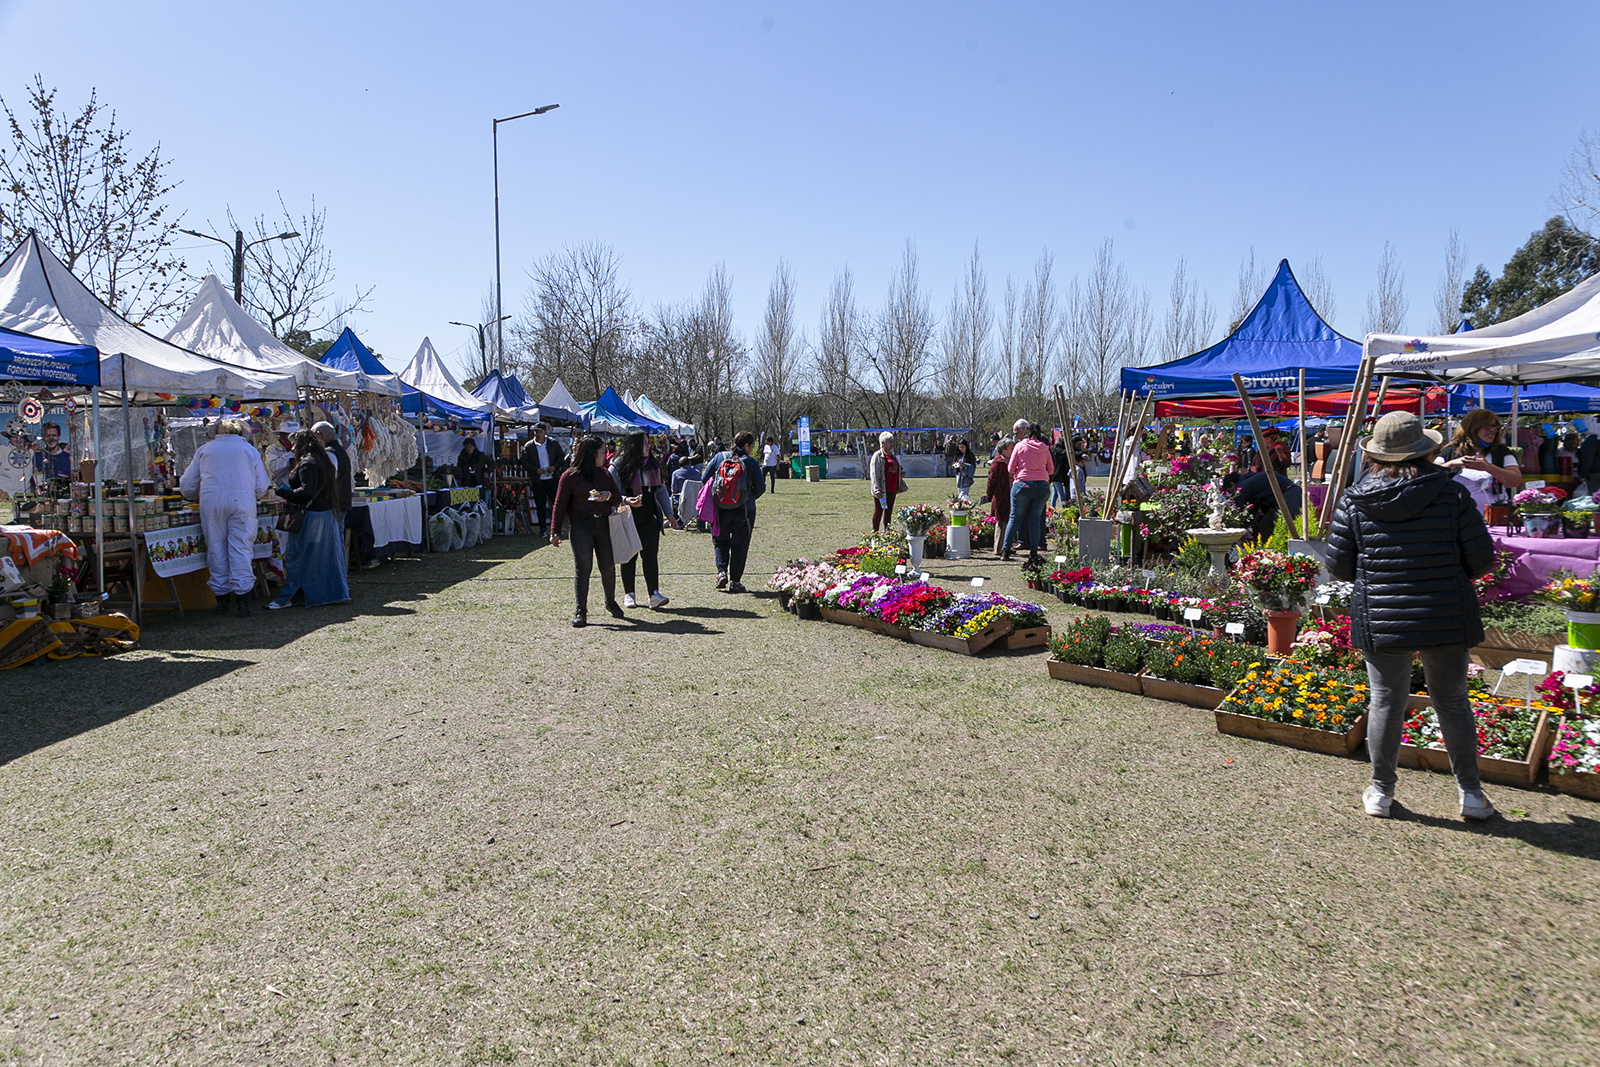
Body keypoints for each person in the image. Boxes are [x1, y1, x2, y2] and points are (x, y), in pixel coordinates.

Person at [1327, 411, 1497, 822]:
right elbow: (1481, 560)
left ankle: (1381, 793)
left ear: (1374, 456)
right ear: (1425, 451)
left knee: (1386, 700)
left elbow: (1340, 568)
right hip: (1444, 611)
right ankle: (1471, 795)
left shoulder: (1355, 499)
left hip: (1382, 614)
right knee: (1453, 701)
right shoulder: (1452, 494)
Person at [179, 419, 270, 616]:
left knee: (216, 547)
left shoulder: (205, 449)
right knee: (241, 547)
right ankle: (243, 599)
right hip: (243, 502)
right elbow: (262, 485)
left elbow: (187, 484)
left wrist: (195, 494)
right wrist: (248, 494)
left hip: (211, 501)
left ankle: (221, 600)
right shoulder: (249, 450)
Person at [268, 430, 350, 609]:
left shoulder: (308, 463)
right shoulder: (322, 461)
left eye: (294, 444)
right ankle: (323, 593)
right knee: (322, 557)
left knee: (297, 556)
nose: (293, 448)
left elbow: (307, 491)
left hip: (311, 514)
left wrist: (283, 492)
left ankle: (292, 596)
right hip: (323, 512)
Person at [549, 435, 625, 626]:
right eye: (601, 452)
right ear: (591, 454)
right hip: (580, 527)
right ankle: (581, 610)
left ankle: (610, 601)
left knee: (607, 566)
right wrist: (554, 532)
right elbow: (559, 505)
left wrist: (607, 496)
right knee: (583, 568)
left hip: (603, 526)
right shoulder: (570, 476)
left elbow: (616, 498)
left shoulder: (605, 474)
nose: (604, 455)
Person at [610, 432, 678, 609]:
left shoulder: (653, 465)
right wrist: (626, 499)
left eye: (648, 443)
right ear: (633, 446)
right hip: (627, 515)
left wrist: (669, 514)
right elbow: (611, 491)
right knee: (629, 555)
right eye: (644, 443)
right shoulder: (619, 465)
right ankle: (629, 594)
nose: (649, 446)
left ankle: (653, 594)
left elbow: (661, 490)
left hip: (650, 516)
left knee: (650, 556)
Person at [702, 431, 764, 593]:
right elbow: (760, 488)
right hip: (744, 510)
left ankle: (721, 572)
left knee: (720, 541)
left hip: (721, 508)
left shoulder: (719, 457)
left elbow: (704, 478)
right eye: (751, 446)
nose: (751, 450)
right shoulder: (750, 463)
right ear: (746, 445)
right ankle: (735, 581)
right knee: (740, 544)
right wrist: (746, 497)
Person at [1435, 408, 1522, 515]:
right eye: (1488, 426)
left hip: (1494, 518)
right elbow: (1431, 476)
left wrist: (1488, 467)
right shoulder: (1451, 451)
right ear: (1472, 428)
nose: (1493, 430)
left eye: (1495, 426)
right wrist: (1451, 464)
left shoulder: (1501, 452)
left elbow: (1515, 481)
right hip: (1455, 516)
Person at [1002, 418, 1053, 562]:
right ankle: (1033, 551)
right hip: (1042, 485)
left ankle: (1005, 550)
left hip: (1023, 485)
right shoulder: (1045, 447)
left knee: (1015, 517)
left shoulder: (1019, 446)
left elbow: (1010, 468)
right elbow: (1051, 469)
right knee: (1035, 519)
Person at [1233, 452, 1304, 538]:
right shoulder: (1250, 481)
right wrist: (1245, 526)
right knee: (1265, 526)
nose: (1232, 493)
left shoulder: (1243, 486)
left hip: (1290, 493)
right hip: (1283, 496)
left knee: (1288, 527)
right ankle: (1267, 549)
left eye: (1230, 490)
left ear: (1232, 484)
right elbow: (1253, 509)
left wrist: (1235, 528)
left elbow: (1237, 507)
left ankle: (1289, 549)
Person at [520, 423, 568, 537]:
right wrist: (536, 470)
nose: (538, 434)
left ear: (545, 432)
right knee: (540, 505)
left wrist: (554, 467)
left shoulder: (553, 443)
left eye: (540, 431)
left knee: (555, 504)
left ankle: (556, 528)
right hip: (538, 480)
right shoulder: (529, 446)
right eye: (536, 431)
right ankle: (542, 529)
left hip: (552, 478)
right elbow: (524, 462)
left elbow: (561, 457)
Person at [868, 431, 902, 534]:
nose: (892, 444)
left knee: (888, 512)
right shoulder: (877, 456)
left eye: (893, 442)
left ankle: (887, 533)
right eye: (890, 442)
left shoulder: (892, 455)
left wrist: (900, 474)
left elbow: (895, 468)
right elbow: (874, 474)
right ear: (883, 443)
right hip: (882, 488)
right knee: (878, 511)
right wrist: (876, 489)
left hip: (892, 488)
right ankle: (875, 533)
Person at [985, 437, 1014, 553]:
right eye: (1011, 448)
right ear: (1003, 449)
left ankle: (1006, 546)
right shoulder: (997, 462)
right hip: (1000, 496)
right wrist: (989, 495)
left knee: (1008, 521)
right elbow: (990, 481)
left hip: (1010, 494)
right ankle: (998, 548)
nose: (1013, 449)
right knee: (1001, 521)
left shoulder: (1010, 460)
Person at [1048, 432, 1071, 507]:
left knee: (1055, 494)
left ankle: (1052, 508)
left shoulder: (1054, 449)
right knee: (1061, 494)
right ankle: (1064, 509)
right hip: (1056, 475)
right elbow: (1065, 453)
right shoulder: (1058, 450)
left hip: (1056, 475)